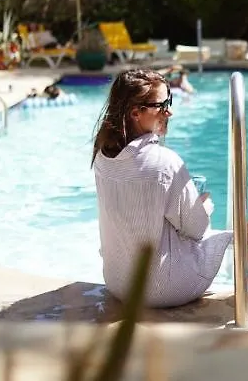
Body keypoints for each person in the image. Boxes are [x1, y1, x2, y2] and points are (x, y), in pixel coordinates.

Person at [91, 69, 231, 307]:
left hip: (118, 284)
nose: (169, 111)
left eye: (170, 101)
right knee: (216, 235)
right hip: (164, 290)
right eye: (162, 105)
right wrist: (203, 207)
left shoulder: (102, 157)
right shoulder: (165, 163)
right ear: (136, 113)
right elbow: (196, 230)